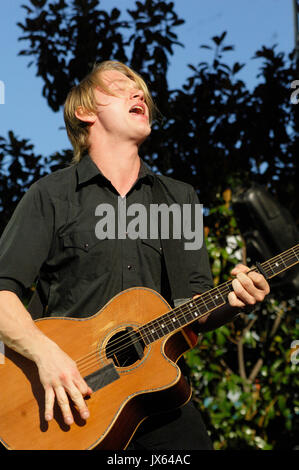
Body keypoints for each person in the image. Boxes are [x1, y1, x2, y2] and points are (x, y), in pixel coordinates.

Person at [0, 61, 270, 450]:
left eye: (140, 88)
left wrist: (235, 300)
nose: (138, 92)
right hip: (67, 405)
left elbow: (196, 306)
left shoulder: (179, 200)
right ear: (85, 111)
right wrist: (46, 355)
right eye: (118, 86)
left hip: (160, 402)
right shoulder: (50, 195)